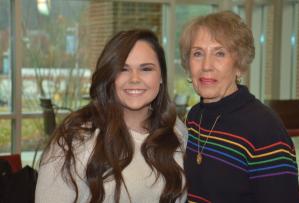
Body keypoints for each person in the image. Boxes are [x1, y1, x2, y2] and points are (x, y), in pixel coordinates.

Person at [35, 29, 187, 203]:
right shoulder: (75, 140)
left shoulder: (176, 132)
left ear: (161, 77)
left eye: (146, 69)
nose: (135, 79)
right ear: (109, 76)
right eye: (123, 69)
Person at [179, 11, 299, 203]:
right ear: (188, 64)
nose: (206, 65)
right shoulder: (195, 117)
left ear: (240, 66)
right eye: (198, 53)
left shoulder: (264, 129)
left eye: (220, 53)